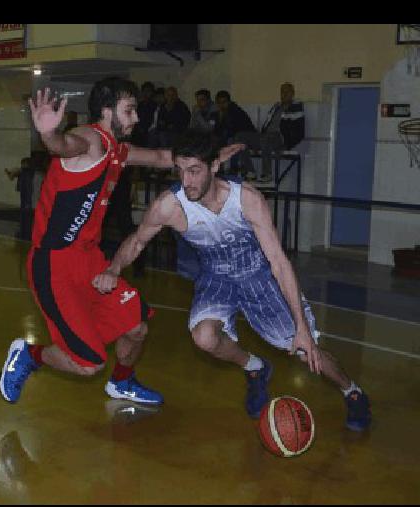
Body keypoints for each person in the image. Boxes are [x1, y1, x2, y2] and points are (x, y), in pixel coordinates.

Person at [92, 129, 371, 431]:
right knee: (204, 337)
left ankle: (352, 391)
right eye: (181, 171)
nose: (187, 182)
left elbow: (278, 262)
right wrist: (113, 268)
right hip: (216, 278)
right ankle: (255, 368)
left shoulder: (246, 199)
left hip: (259, 276)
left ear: (214, 166)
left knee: (306, 351)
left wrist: (302, 327)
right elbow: (136, 241)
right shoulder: (170, 205)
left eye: (195, 171)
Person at [0, 79, 243, 406]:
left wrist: (207, 159)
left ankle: (122, 382)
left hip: (89, 259)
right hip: (54, 265)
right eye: (129, 110)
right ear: (105, 111)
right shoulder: (91, 140)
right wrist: (48, 134)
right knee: (89, 363)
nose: (137, 118)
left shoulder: (118, 150)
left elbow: (160, 157)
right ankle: (30, 355)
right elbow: (63, 145)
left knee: (137, 327)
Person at [235, 82, 305, 182]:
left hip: (281, 138)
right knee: (239, 137)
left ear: (293, 94)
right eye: (282, 92)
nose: (284, 94)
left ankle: (267, 174)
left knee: (267, 138)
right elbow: (266, 125)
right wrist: (255, 142)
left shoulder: (296, 107)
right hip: (266, 136)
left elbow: (299, 132)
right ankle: (250, 171)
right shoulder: (276, 106)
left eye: (287, 92)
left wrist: (287, 145)